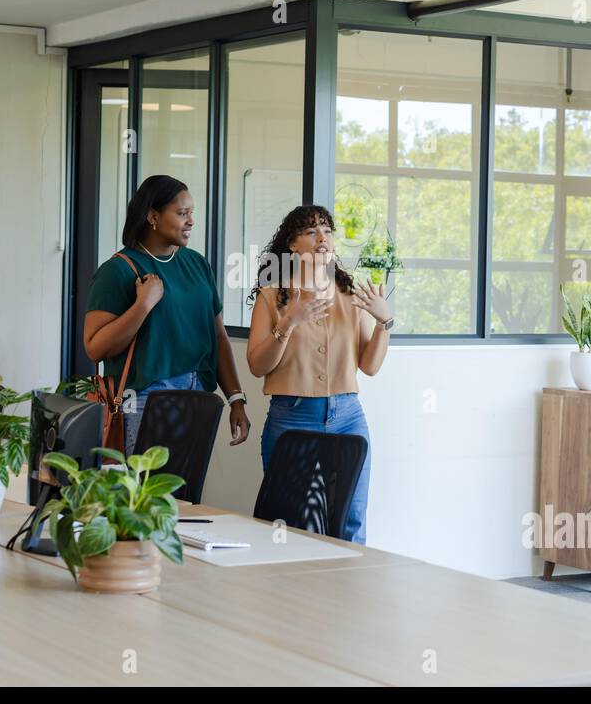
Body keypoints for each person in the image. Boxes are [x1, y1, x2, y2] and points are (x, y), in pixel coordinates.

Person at [245, 204, 392, 543]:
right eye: (311, 231)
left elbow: (369, 366)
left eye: (327, 231)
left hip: (348, 418)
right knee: (290, 523)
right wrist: (288, 322)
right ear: (292, 245)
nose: (322, 238)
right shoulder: (272, 296)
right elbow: (257, 365)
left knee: (350, 519)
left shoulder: (351, 295)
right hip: (292, 419)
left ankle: (347, 595)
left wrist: (385, 323)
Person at [84, 175, 250, 456]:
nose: (191, 221)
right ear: (153, 216)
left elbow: (218, 337)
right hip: (146, 399)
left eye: (191, 213)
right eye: (182, 213)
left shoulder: (197, 264)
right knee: (146, 495)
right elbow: (94, 347)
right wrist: (142, 306)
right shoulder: (119, 270)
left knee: (184, 494)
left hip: (199, 396)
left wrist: (236, 398)